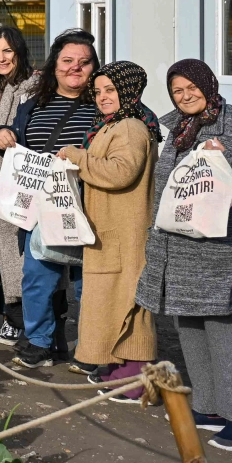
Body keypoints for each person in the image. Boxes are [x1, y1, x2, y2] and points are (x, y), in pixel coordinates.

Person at [136, 60, 232, 451]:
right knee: (189, 327)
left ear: (208, 85)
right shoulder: (180, 130)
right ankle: (209, 406)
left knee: (225, 330)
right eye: (177, 91)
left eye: (191, 88)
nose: (185, 96)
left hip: (223, 251)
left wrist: (229, 160)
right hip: (179, 246)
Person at [0, 29, 100, 369]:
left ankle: (92, 346)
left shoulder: (103, 105)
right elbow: (13, 134)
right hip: (43, 201)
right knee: (38, 276)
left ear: (94, 68)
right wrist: (1, 134)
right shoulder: (33, 105)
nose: (75, 68)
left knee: (90, 282)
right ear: (55, 65)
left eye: (84, 63)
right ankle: (40, 341)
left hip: (90, 204)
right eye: (67, 61)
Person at [56, 61, 161, 402]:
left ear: (128, 91)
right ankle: (119, 369)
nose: (102, 97)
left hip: (126, 233)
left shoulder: (130, 127)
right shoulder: (112, 125)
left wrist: (78, 157)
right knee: (114, 303)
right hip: (111, 230)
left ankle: (135, 379)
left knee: (128, 304)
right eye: (98, 91)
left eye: (110, 91)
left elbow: (121, 172)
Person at [0, 25, 37, 346]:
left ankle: (32, 327)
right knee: (3, 253)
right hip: (1, 183)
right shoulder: (1, 88)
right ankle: (17, 319)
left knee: (26, 255)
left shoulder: (33, 85)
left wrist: (3, 133)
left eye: (7, 51)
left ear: (19, 52)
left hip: (23, 182)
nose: (1, 58)